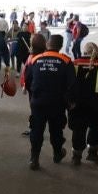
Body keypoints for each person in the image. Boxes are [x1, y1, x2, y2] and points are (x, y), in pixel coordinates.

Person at [22, 36, 75, 170]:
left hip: (38, 102)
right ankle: (57, 154)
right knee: (56, 130)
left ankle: (34, 159)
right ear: (61, 46)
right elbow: (72, 85)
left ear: (47, 44)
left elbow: (27, 80)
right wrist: (70, 102)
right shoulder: (66, 61)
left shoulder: (35, 59)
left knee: (36, 130)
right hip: (57, 103)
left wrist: (34, 94)